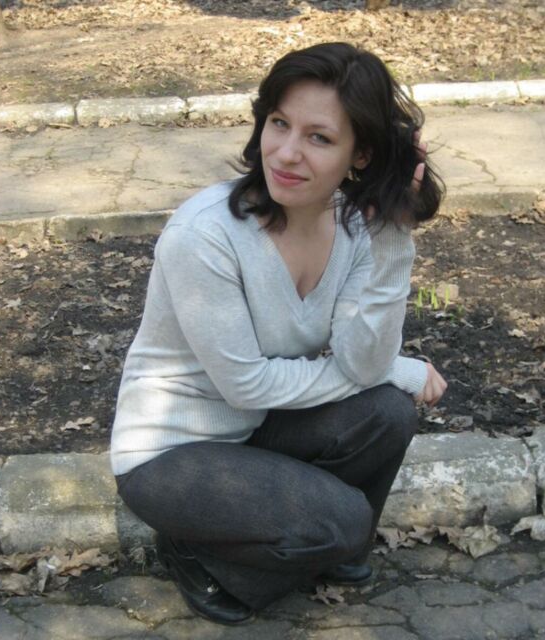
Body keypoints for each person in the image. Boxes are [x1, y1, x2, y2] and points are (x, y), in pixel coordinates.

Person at [111, 41, 447, 625]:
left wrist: (394, 238)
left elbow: (363, 360)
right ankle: (199, 552)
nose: (287, 153)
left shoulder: (353, 228)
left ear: (361, 154)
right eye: (279, 123)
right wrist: (395, 369)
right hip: (169, 456)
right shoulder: (205, 235)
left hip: (253, 430)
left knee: (389, 412)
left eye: (319, 137)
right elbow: (246, 384)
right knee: (343, 521)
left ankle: (316, 544)